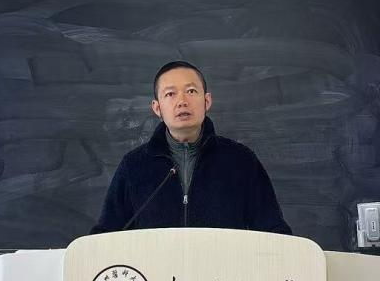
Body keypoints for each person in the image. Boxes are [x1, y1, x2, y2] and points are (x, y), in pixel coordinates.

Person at [91, 60, 291, 234]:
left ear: (207, 101)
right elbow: (105, 236)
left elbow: (274, 232)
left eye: (191, 91)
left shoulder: (241, 161)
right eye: (170, 94)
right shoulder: (134, 166)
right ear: (157, 108)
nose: (182, 101)